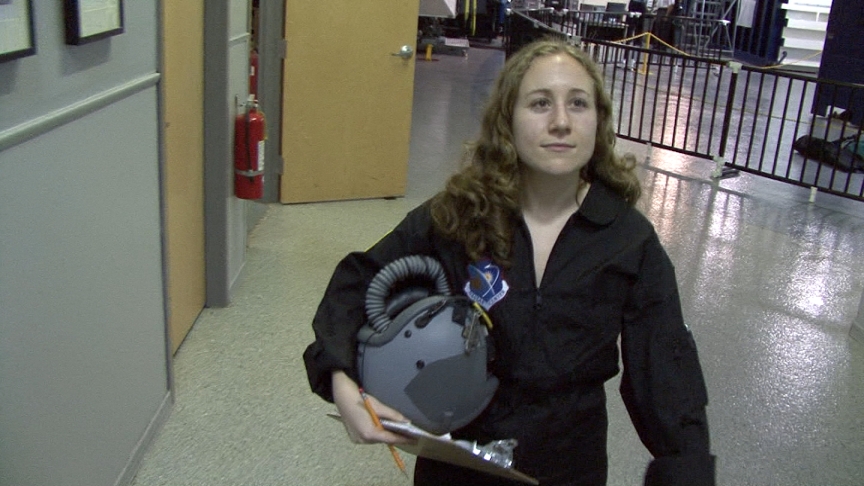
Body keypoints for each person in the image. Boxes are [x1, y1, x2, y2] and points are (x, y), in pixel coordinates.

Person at [303, 37, 715, 486]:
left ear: (599, 121)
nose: (561, 122)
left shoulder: (627, 241)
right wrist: (344, 386)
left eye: (578, 104)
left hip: (569, 464)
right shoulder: (461, 215)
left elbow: (668, 383)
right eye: (540, 104)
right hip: (460, 461)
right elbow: (357, 284)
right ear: (508, 122)